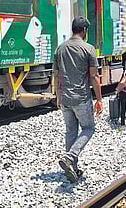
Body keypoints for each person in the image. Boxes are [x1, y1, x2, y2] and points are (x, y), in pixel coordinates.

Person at [53, 17, 103, 182]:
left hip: (66, 98)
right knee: (89, 128)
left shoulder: (60, 48)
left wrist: (58, 97)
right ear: (84, 31)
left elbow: (57, 75)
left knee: (71, 131)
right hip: (81, 98)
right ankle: (71, 156)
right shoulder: (88, 49)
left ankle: (72, 169)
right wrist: (99, 99)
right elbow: (94, 76)